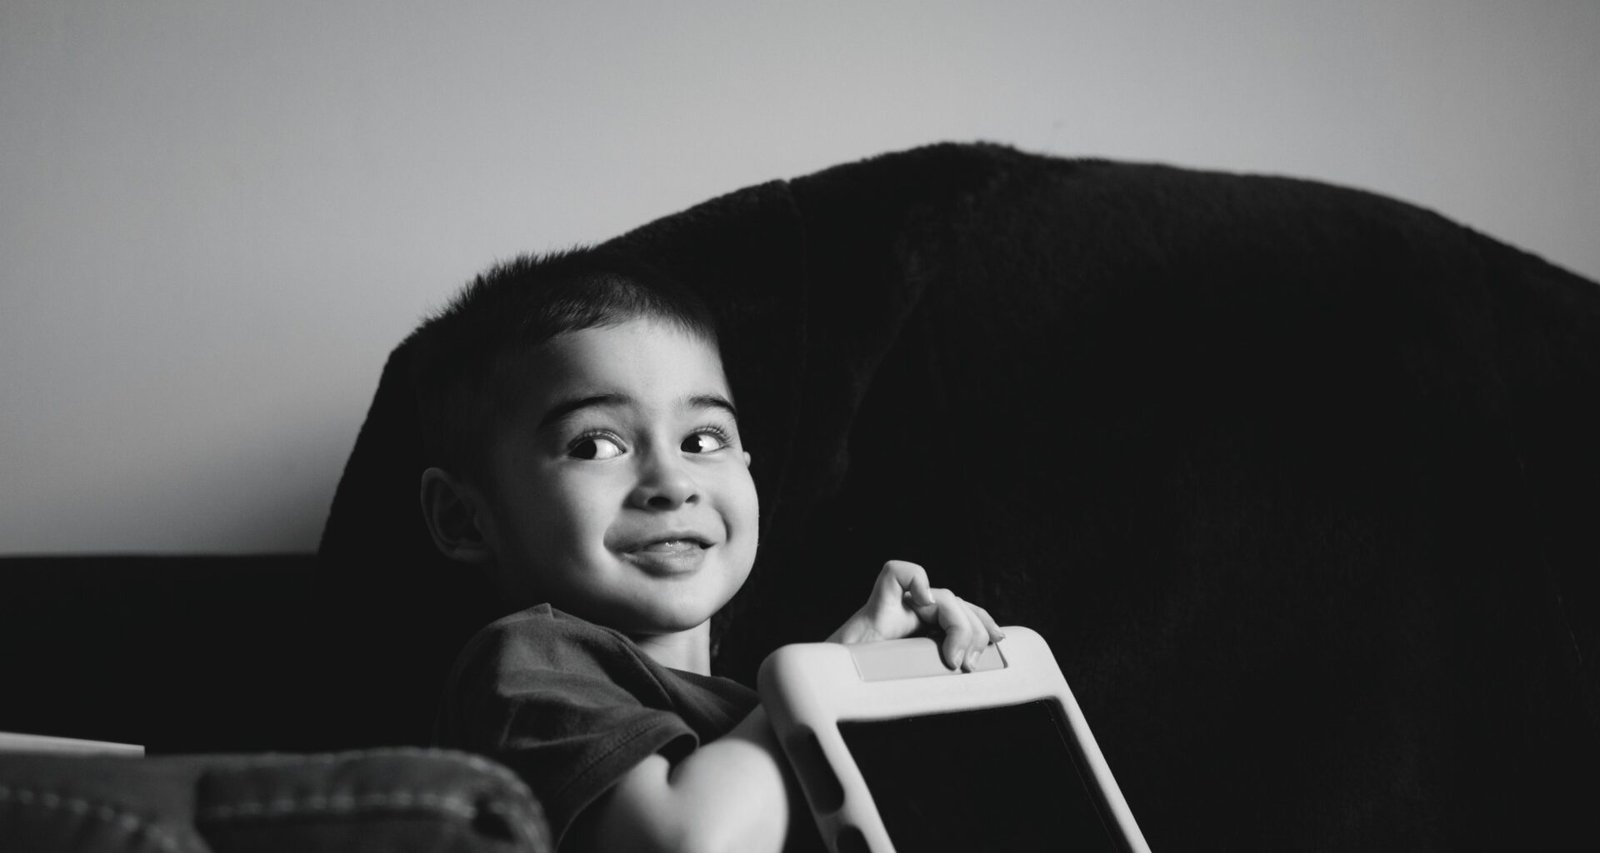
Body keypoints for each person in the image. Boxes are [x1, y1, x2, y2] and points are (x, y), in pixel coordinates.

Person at [412, 249, 1004, 852]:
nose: (673, 483)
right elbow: (690, 842)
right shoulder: (526, 666)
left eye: (701, 439)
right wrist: (836, 672)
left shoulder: (748, 716)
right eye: (595, 445)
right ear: (464, 517)